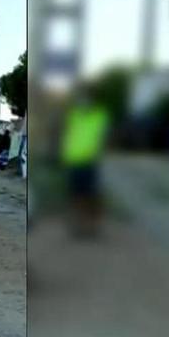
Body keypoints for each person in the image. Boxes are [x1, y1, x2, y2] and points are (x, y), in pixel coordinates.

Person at [61, 92, 109, 236]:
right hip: (73, 162)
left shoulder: (99, 116)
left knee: (91, 195)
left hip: (89, 162)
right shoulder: (73, 116)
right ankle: (79, 224)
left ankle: (93, 225)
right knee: (76, 195)